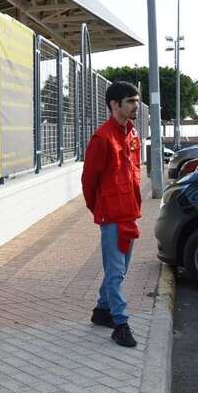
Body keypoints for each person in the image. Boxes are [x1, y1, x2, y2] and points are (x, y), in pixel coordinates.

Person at [81, 81, 142, 348]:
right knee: (116, 272)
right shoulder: (102, 138)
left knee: (121, 270)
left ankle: (101, 311)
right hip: (112, 217)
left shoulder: (132, 134)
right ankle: (121, 323)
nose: (135, 106)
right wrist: (101, 210)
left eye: (137, 101)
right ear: (114, 105)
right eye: (130, 101)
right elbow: (88, 180)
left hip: (129, 212)